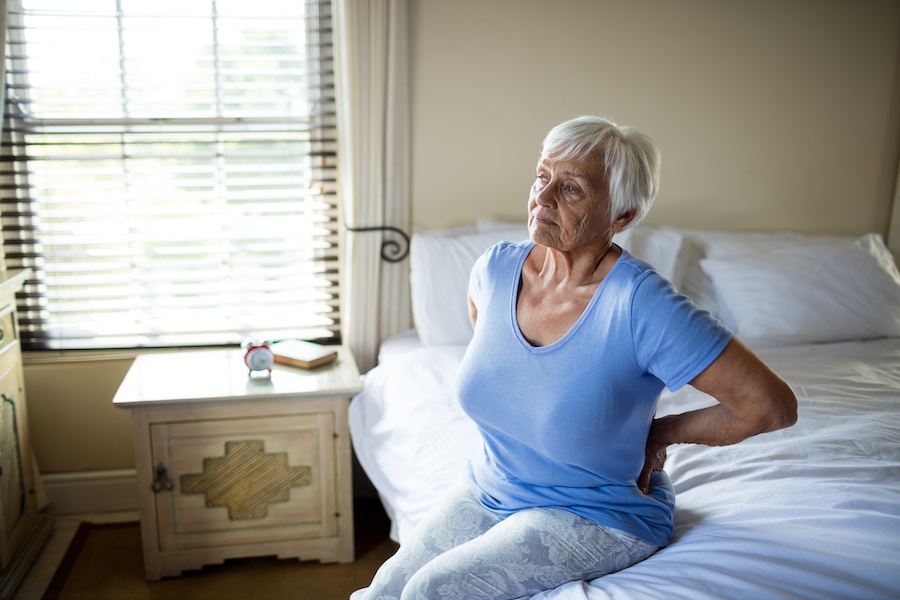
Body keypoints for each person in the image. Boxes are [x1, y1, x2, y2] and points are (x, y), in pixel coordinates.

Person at [351, 116, 797, 599]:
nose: (542, 198)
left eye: (571, 190)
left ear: (621, 216)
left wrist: (663, 432)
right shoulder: (494, 269)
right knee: (380, 592)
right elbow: (508, 373)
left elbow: (770, 406)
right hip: (491, 488)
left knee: (430, 591)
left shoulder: (642, 305)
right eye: (542, 177)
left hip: (597, 514)